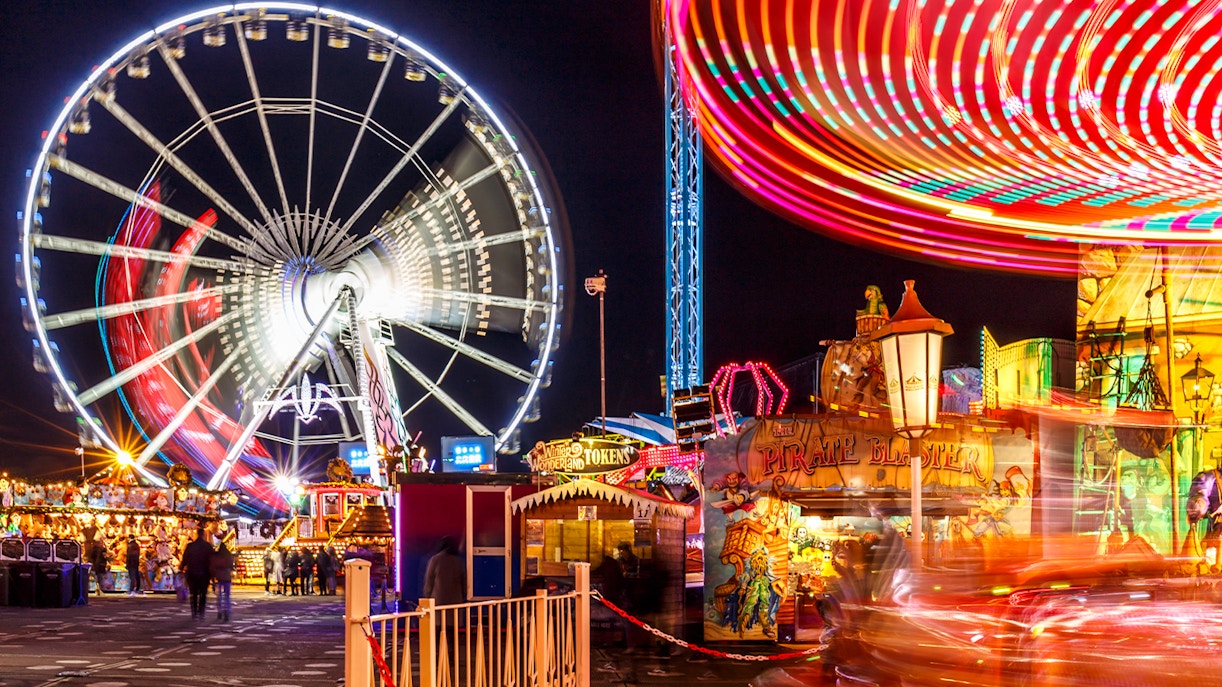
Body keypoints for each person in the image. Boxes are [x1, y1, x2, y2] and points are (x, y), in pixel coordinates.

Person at [180, 528, 214, 620]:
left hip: (192, 572)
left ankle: (194, 613)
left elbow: (185, 558)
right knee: (203, 594)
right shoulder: (207, 546)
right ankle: (201, 612)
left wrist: (181, 568)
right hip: (204, 573)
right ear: (203, 535)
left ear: (196, 535)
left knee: (193, 594)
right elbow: (212, 560)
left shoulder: (190, 546)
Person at [423, 536, 466, 605]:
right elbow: (464, 582)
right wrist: (464, 596)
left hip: (438, 600)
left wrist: (427, 596)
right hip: (456, 600)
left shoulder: (435, 560)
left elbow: (429, 580)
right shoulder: (458, 561)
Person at [210, 541, 235, 622]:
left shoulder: (217, 557)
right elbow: (231, 566)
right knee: (227, 596)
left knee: (219, 596)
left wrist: (213, 579)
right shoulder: (228, 556)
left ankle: (220, 611)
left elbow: (213, 567)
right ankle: (227, 611)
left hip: (219, 577)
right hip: (227, 577)